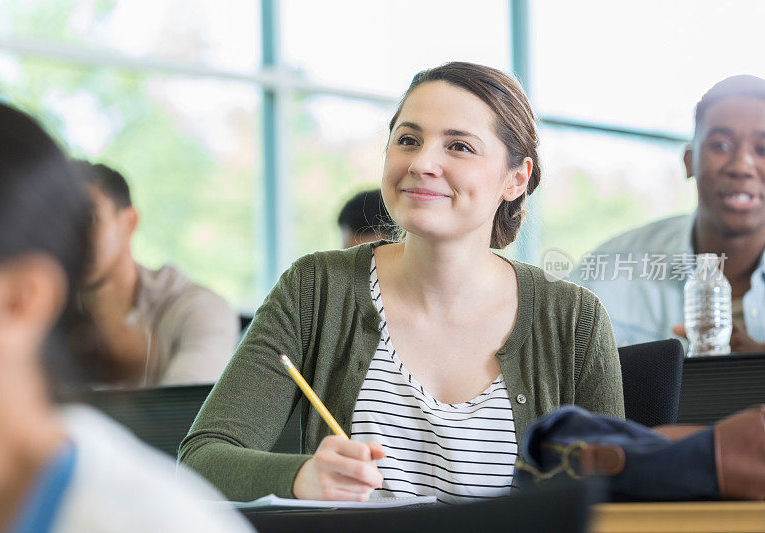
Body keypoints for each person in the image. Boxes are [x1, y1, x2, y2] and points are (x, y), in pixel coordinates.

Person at [179, 62, 624, 505]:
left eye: (459, 147)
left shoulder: (573, 319)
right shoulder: (315, 289)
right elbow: (202, 460)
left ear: (516, 178)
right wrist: (302, 476)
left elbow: (615, 495)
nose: (422, 163)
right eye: (408, 140)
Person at [0, 95, 253, 533]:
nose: (80, 241)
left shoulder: (153, 521)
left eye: (91, 221)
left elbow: (183, 428)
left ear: (18, 303)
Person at [574, 75, 765, 352]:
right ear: (689, 161)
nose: (741, 166)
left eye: (762, 149)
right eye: (720, 145)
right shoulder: (609, 274)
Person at [75, 161, 239, 386]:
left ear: (129, 222)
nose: (73, 236)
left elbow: (186, 417)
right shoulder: (39, 316)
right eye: (61, 223)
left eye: (90, 219)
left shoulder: (198, 309)